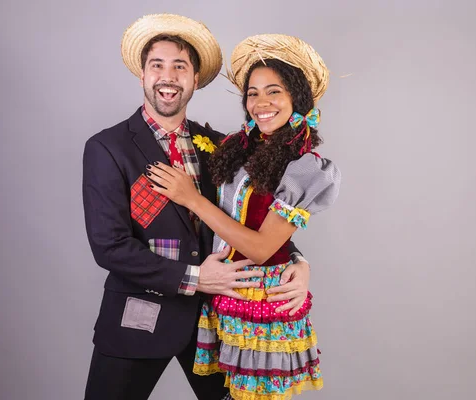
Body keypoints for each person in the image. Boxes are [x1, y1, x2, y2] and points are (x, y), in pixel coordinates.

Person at [82, 15, 311, 400]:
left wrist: (299, 263)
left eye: (180, 67)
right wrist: (195, 278)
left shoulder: (225, 147)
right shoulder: (108, 148)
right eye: (158, 65)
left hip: (219, 321)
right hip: (140, 317)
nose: (168, 76)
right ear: (143, 75)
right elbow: (110, 247)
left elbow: (255, 219)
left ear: (194, 79)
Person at [146, 34, 341, 400]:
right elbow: (250, 221)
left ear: (297, 99)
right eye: (252, 93)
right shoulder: (238, 149)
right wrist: (300, 258)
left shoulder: (305, 166)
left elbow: (264, 248)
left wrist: (192, 199)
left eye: (274, 92)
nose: (261, 103)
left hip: (264, 300)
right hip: (226, 294)